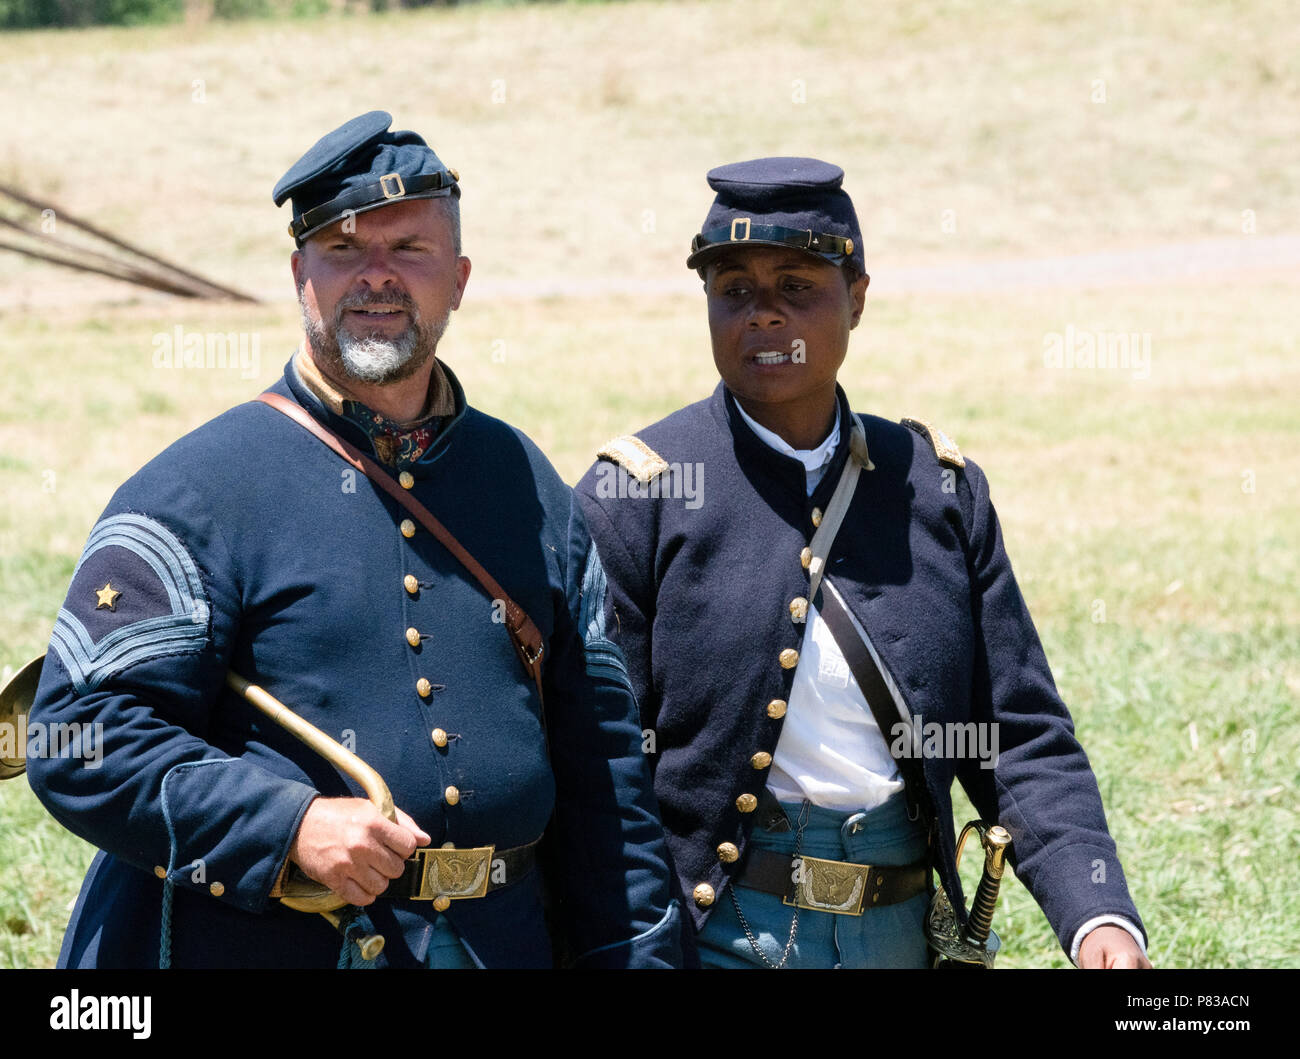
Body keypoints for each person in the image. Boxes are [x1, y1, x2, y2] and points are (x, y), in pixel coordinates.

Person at [26, 111, 681, 969]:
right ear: (301, 274)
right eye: (342, 251)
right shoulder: (197, 489)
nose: (376, 278)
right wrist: (288, 824)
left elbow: (605, 779)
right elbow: (78, 736)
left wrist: (640, 956)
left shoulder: (529, 485)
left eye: (409, 250)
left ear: (460, 276)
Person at [575, 157, 1149, 969]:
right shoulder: (638, 492)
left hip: (901, 933)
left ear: (859, 297)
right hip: (717, 931)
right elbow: (600, 766)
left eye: (797, 286)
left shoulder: (940, 490)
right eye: (734, 289)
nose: (763, 316)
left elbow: (1014, 737)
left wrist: (1100, 918)